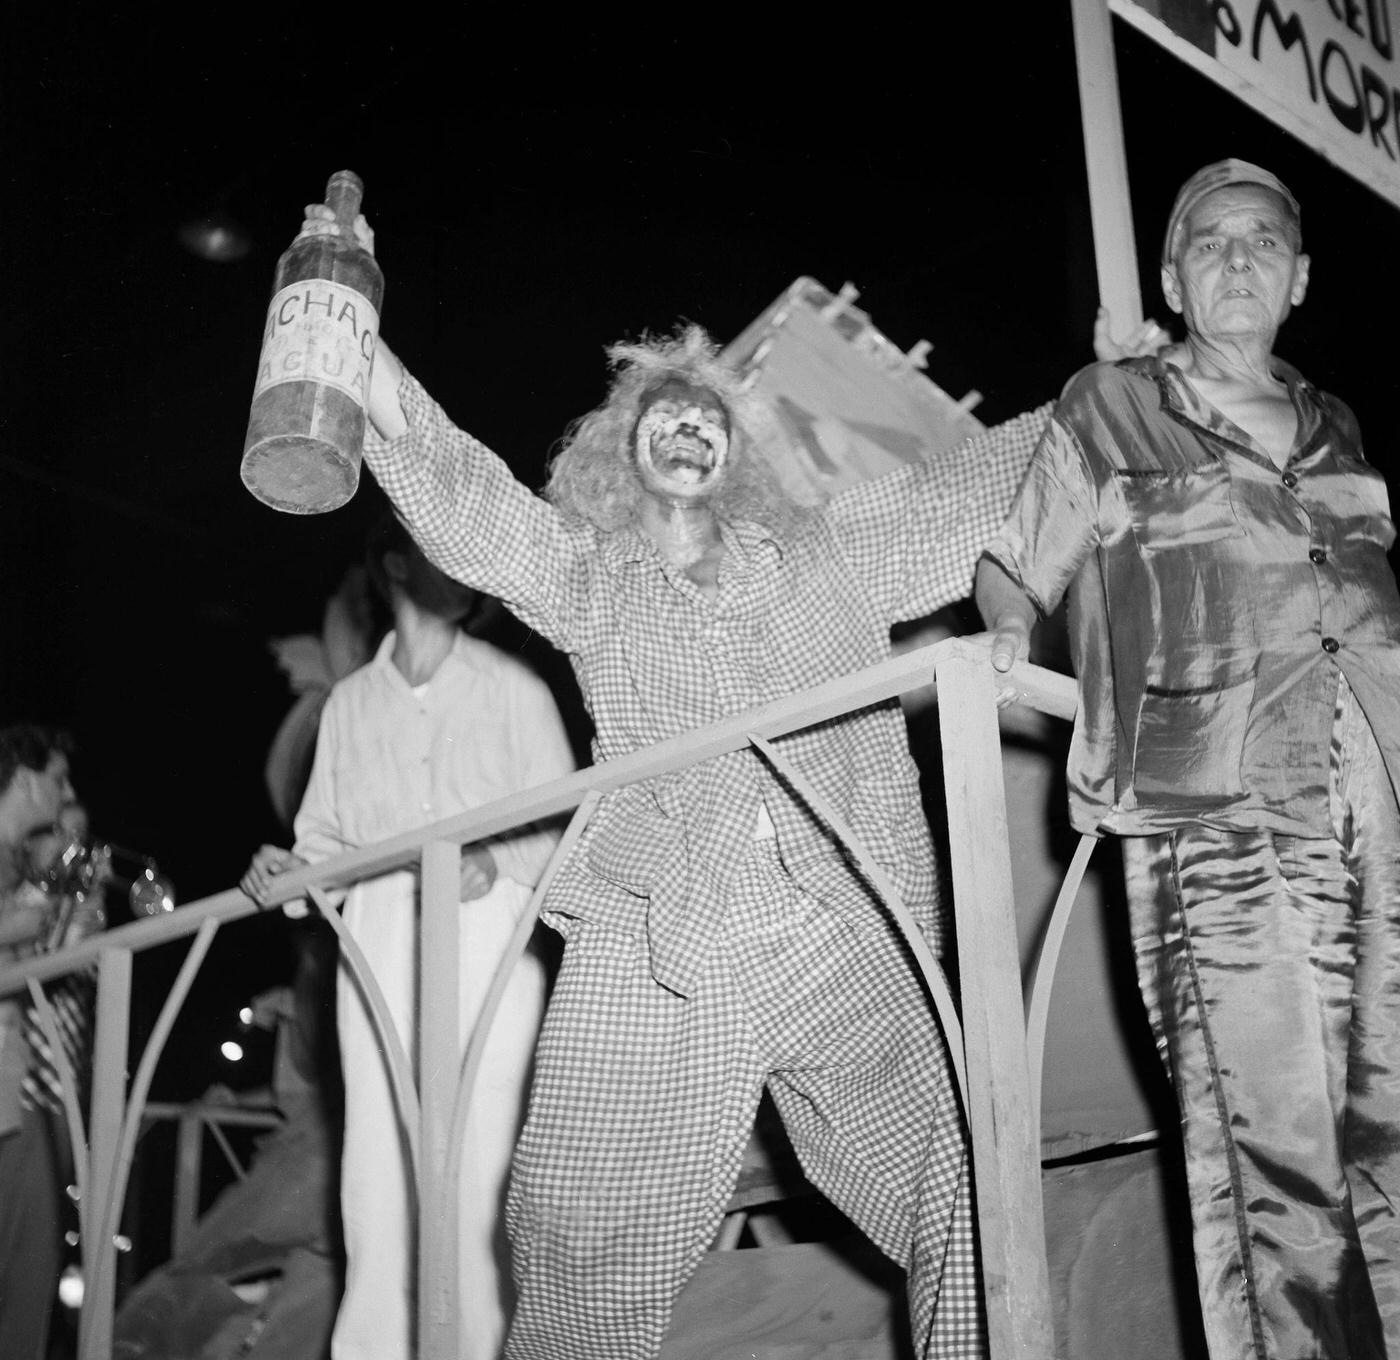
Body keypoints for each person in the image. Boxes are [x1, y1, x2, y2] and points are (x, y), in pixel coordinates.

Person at [285, 202, 1162, 1360]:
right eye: (662, 415)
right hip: (660, 943)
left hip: (842, 927)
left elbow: (979, 486)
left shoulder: (833, 552)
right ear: (617, 453)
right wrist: (355, 346)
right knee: (571, 1234)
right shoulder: (590, 575)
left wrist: (1110, 396)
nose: (689, 427)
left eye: (709, 416)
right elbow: (473, 506)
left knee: (965, 1185)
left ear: (739, 454)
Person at [977, 158, 1400, 1359]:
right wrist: (1009, 627)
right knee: (1269, 1144)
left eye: (1260, 240)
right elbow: (1016, 562)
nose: (1234, 258)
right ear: (1170, 277)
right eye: (1206, 242)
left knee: (1388, 1129)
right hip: (1219, 802)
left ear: (1299, 275)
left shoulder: (1337, 425)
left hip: (1375, 790)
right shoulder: (1110, 403)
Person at [241, 517, 575, 1360]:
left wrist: (496, 862)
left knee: (478, 1171)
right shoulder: (350, 707)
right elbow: (324, 846)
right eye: (436, 549)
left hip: (489, 948)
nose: (460, 566)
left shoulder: (514, 690)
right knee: (377, 1175)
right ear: (392, 563)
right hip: (380, 941)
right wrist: (285, 869)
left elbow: (567, 835)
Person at [0, 723, 78, 1360]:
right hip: (9, 1092)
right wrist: (20, 926)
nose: (66, 791)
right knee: (25, 1269)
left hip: (11, 1085)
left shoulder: (12, 861)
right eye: (58, 778)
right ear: (24, 779)